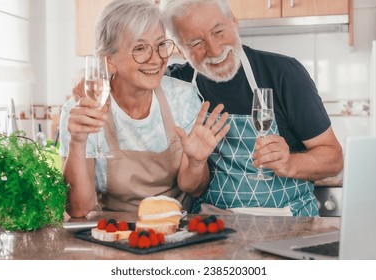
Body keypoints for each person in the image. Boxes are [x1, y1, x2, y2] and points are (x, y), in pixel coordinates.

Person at [160, 0, 343, 216]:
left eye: (219, 31)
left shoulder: (284, 73)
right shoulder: (176, 84)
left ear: (234, 22)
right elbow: (191, 186)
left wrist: (290, 163)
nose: (214, 50)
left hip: (290, 224)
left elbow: (334, 159)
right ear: (180, 49)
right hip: (212, 229)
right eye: (196, 43)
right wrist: (195, 161)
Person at [59, 0, 229, 218]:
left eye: (160, 45)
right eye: (140, 48)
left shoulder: (182, 98)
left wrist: (197, 162)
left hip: (174, 229)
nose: (156, 58)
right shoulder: (81, 112)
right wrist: (78, 142)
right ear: (109, 61)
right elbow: (78, 208)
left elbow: (193, 188)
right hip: (112, 230)